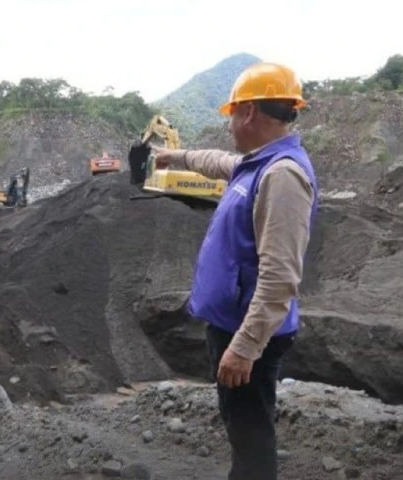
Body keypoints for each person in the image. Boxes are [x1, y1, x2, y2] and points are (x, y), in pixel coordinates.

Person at [151, 62, 319, 480]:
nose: (229, 126)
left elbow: (281, 277)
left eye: (231, 115)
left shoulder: (282, 176)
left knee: (250, 435)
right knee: (242, 426)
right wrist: (176, 156)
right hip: (232, 322)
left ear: (248, 113)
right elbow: (217, 161)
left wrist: (245, 347)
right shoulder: (258, 163)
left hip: (248, 333)